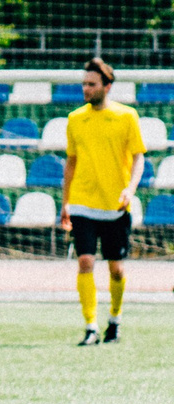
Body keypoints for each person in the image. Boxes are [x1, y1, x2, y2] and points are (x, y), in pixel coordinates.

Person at [64, 57, 147, 347]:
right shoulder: (75, 119)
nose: (86, 89)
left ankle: (114, 318)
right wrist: (65, 203)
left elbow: (138, 157)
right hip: (82, 203)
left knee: (116, 269)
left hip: (115, 206)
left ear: (107, 86)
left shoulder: (127, 117)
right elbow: (71, 163)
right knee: (85, 261)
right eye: (84, 83)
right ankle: (90, 326)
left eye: (91, 84)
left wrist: (130, 188)